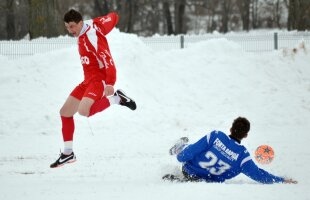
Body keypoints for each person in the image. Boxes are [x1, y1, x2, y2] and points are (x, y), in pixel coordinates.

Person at [50, 9, 136, 168]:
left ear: (80, 23)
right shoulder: (92, 25)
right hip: (87, 80)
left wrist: (110, 82)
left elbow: (107, 58)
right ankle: (68, 153)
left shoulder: (92, 36)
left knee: (84, 111)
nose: (70, 31)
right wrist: (114, 16)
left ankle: (117, 98)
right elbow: (109, 20)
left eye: (72, 26)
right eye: (67, 27)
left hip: (98, 80)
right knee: (65, 112)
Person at [164, 117, 297, 184]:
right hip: (205, 182)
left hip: (188, 171)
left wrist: (180, 156)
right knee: (196, 148)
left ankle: (179, 147)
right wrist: (282, 180)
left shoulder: (215, 135)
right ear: (245, 135)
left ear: (230, 129)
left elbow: (188, 154)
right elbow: (260, 175)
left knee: (191, 147)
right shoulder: (242, 157)